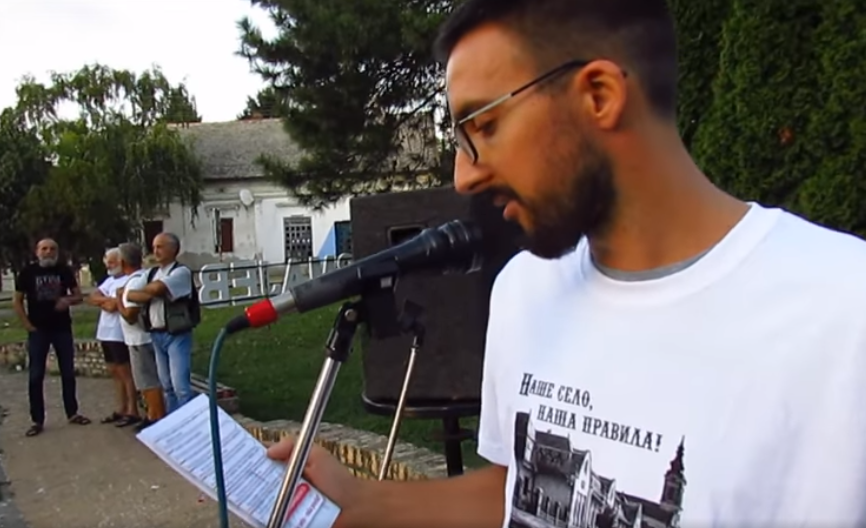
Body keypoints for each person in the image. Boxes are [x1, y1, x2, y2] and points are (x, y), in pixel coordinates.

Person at [265, 1, 866, 527]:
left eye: (483, 125)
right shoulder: (523, 289)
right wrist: (360, 501)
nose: (463, 175)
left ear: (599, 95)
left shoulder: (844, 314)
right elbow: (517, 492)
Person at [13, 238, 91, 437]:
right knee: (36, 375)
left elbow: (78, 296)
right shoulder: (28, 272)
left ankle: (72, 412)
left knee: (68, 372)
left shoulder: (64, 271)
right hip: (38, 330)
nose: (48, 252)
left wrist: (67, 300)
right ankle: (37, 420)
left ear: (57, 252)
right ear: (37, 252)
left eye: (52, 249)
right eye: (44, 249)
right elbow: (17, 300)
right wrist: (27, 324)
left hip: (61, 328)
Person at [126, 232, 198, 413]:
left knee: (180, 385)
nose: (155, 251)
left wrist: (150, 291)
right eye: (154, 247)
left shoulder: (180, 272)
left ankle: (187, 420)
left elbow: (158, 288)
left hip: (176, 333)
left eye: (160, 247)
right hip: (156, 333)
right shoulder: (152, 273)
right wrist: (151, 292)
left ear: (173, 249)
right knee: (166, 385)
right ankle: (173, 420)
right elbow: (130, 294)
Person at [115, 242, 167, 431]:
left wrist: (119, 300)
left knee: (148, 380)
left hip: (140, 339)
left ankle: (156, 417)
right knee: (144, 380)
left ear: (123, 261)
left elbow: (130, 315)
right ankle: (152, 414)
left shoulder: (135, 282)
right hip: (138, 339)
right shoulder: (139, 278)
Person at [87, 247, 141, 428]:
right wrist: (107, 301)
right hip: (105, 332)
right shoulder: (110, 281)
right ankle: (121, 408)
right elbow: (92, 297)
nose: (108, 266)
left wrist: (106, 302)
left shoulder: (129, 280)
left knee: (125, 372)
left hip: (120, 333)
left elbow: (113, 306)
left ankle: (133, 410)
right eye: (107, 262)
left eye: (112, 262)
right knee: (114, 371)